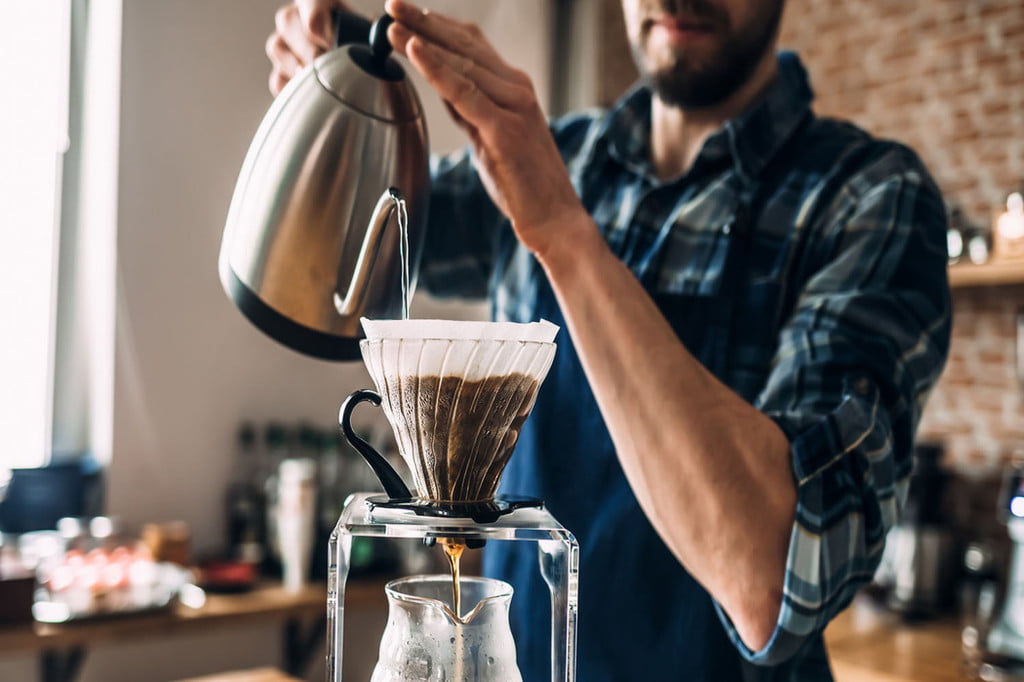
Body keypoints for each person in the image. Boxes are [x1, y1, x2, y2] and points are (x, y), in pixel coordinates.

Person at [267, 0, 951, 679]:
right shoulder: (554, 156)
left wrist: (564, 236)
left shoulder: (869, 198)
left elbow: (771, 579)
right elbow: (342, 248)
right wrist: (330, 94)